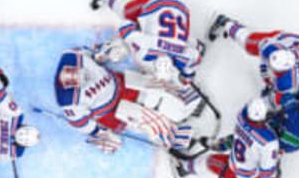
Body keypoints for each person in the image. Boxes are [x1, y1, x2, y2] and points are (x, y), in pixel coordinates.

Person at [54, 47, 197, 153]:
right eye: (85, 80)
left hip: (121, 83)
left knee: (156, 91)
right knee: (147, 119)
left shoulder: (71, 56)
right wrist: (100, 133)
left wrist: (106, 53)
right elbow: (81, 123)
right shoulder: (68, 102)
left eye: (85, 74)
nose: (89, 78)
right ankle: (176, 137)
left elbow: (93, 54)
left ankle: (184, 99)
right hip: (111, 111)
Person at [90, 0, 205, 87]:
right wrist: (134, 35)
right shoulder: (146, 46)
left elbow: (196, 57)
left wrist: (187, 76)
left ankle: (197, 44)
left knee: (180, 40)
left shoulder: (184, 58)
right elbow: (125, 25)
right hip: (156, 1)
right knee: (126, 12)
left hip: (182, 8)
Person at [208, 15, 299, 110]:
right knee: (249, 42)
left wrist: (272, 93)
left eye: (276, 69)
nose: (272, 67)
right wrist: (267, 79)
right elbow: (264, 60)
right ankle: (227, 23)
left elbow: (275, 101)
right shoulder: (270, 49)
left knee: (285, 98)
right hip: (289, 41)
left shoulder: (287, 82)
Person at [172, 98, 280, 178]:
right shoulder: (269, 142)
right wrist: (273, 172)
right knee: (210, 161)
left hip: (234, 165)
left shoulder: (241, 117)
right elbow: (266, 173)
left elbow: (239, 137)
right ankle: (183, 168)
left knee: (209, 161)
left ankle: (184, 168)